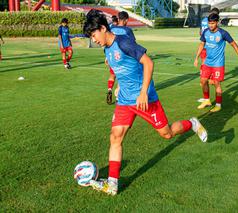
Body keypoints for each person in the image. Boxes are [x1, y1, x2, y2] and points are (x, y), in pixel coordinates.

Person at [83, 9, 208, 195]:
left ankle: (192, 123)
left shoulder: (123, 42)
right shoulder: (107, 49)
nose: (94, 39)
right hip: (125, 101)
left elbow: (148, 63)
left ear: (102, 28)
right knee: (115, 136)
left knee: (166, 133)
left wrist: (142, 93)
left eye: (94, 35)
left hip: (145, 99)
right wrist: (117, 86)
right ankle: (113, 184)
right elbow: (122, 68)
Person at [194, 13, 238, 112]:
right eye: (209, 23)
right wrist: (196, 58)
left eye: (213, 23)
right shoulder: (206, 32)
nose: (210, 25)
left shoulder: (223, 33)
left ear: (217, 22)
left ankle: (218, 105)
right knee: (203, 81)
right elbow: (201, 44)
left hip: (218, 64)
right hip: (207, 62)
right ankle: (206, 100)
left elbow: (234, 45)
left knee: (216, 83)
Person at [106, 11, 136, 104]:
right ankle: (119, 97)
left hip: (111, 57)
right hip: (123, 57)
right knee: (122, 76)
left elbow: (107, 42)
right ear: (126, 20)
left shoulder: (111, 28)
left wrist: (107, 56)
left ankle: (110, 89)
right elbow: (133, 45)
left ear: (118, 19)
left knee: (112, 75)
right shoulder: (127, 30)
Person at [198, 7, 220, 103]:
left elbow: (200, 32)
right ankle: (208, 79)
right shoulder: (214, 23)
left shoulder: (204, 20)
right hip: (209, 47)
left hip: (206, 46)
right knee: (206, 63)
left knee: (205, 63)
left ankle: (207, 79)